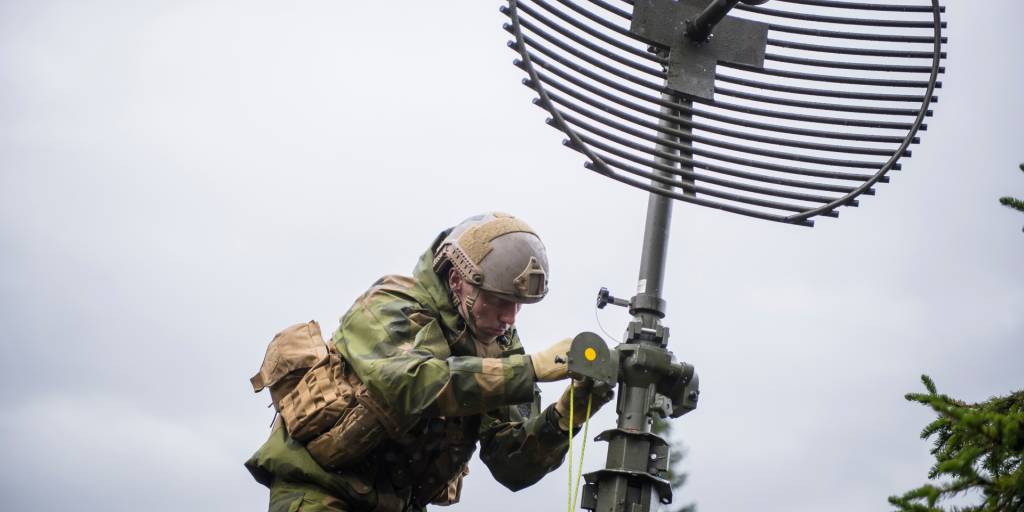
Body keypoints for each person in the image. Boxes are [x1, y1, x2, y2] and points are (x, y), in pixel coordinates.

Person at [246, 212, 613, 512]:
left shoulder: (499, 347)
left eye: (518, 306)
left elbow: (510, 465)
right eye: (500, 301)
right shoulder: (389, 304)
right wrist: (530, 369)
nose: (511, 318)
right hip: (321, 492)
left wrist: (567, 415)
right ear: (458, 281)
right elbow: (410, 385)